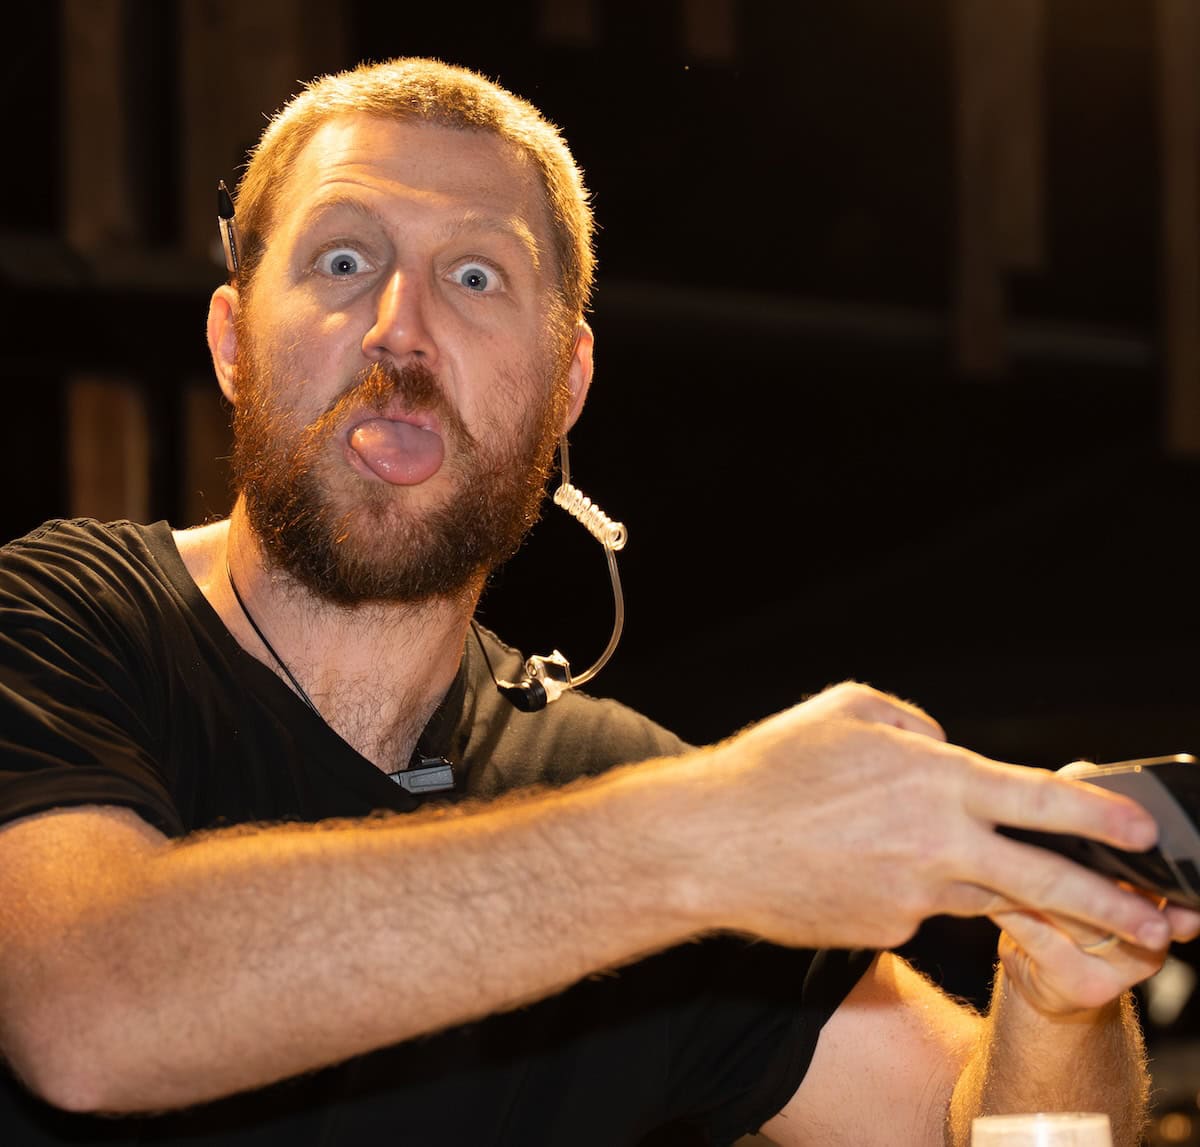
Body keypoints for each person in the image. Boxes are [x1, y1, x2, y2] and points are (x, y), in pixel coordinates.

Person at [0, 57, 1193, 1147]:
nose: (399, 330)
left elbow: (974, 1134)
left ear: (566, 383)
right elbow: (86, 1008)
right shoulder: (61, 625)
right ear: (233, 342)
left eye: (475, 276)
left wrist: (1058, 998)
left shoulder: (611, 785)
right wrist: (701, 841)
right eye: (343, 261)